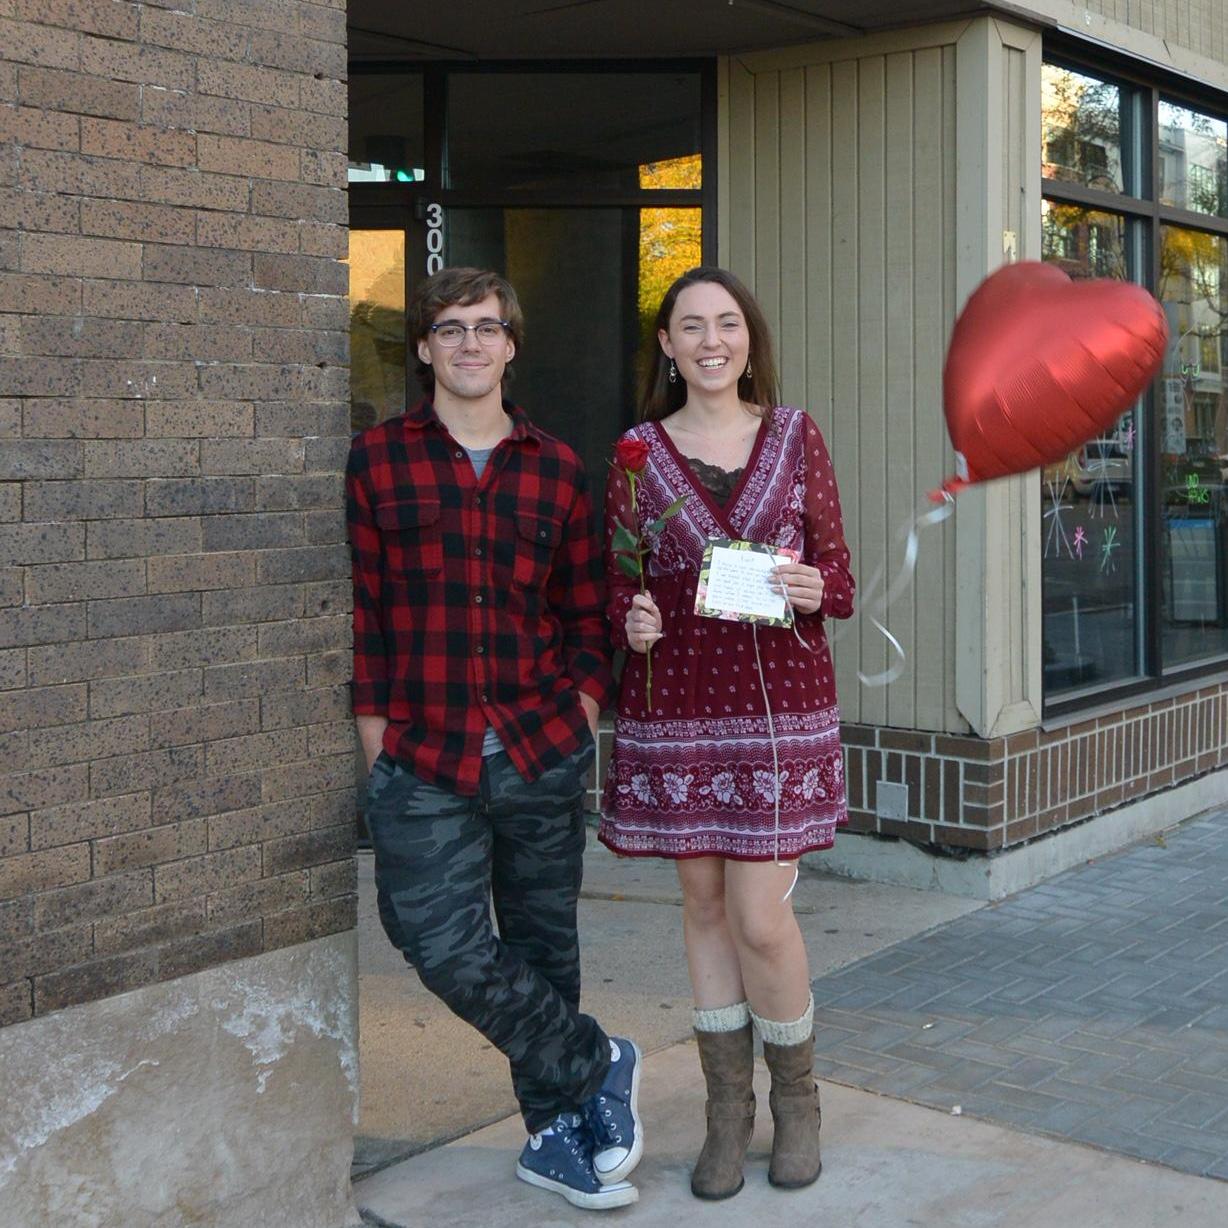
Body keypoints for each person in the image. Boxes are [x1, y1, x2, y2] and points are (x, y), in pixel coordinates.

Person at [346, 267, 643, 1211]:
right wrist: (376, 742)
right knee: (440, 945)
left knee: (544, 950)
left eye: (486, 327)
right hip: (423, 754)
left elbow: (585, 608)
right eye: (450, 328)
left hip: (537, 745)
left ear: (511, 346)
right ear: (424, 347)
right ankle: (598, 1061)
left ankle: (555, 1137)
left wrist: (582, 709)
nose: (469, 343)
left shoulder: (556, 467)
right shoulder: (377, 460)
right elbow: (364, 614)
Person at [600, 267, 855, 1200]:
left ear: (750, 340)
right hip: (679, 708)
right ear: (667, 346)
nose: (712, 341)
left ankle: (797, 1103)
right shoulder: (636, 453)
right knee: (704, 908)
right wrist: (630, 620)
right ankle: (726, 1113)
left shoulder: (795, 435)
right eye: (692, 326)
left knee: (758, 915)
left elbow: (839, 577)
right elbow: (618, 581)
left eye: (728, 324)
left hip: (779, 711)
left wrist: (814, 587)